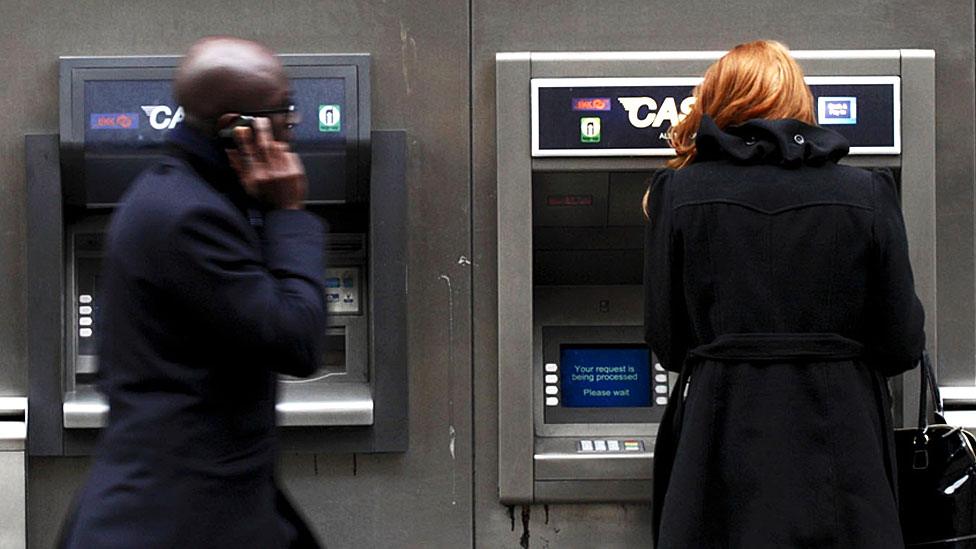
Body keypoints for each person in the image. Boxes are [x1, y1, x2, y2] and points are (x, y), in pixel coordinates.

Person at [644, 40, 924, 548]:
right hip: (844, 439)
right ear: (799, 100)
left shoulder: (679, 193)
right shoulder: (868, 193)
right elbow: (902, 342)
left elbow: (666, 338)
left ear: (718, 101)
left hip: (718, 435)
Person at [60, 37, 326, 548]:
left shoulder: (179, 194)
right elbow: (297, 337)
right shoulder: (190, 216)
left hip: (194, 506)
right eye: (286, 113)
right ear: (239, 129)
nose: (295, 126)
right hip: (174, 518)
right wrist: (288, 215)